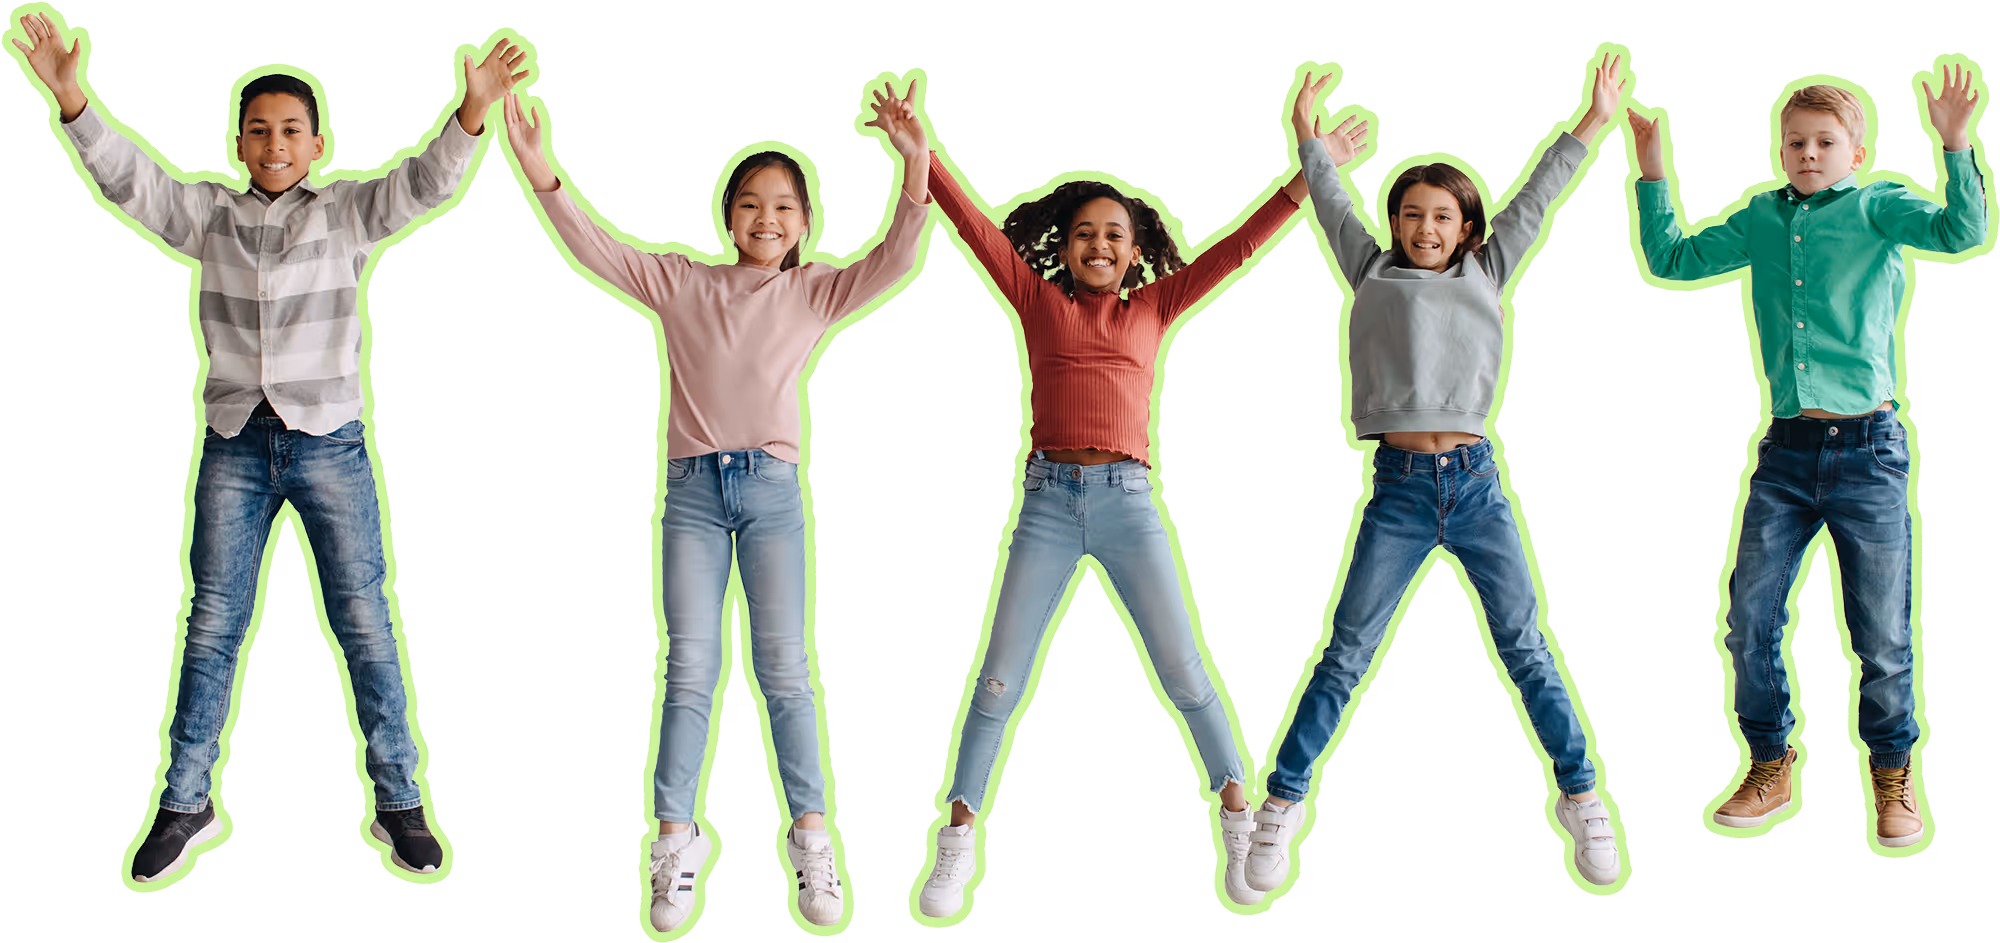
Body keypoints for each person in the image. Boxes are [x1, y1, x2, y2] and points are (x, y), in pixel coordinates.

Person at [10, 8, 527, 883]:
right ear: (239, 143)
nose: (275, 142)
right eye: (259, 130)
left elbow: (425, 184)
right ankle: (185, 800)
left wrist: (470, 113)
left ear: (318, 143)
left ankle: (399, 797)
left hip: (329, 444)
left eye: (291, 129)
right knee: (211, 624)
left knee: (365, 620)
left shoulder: (347, 213)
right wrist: (73, 99)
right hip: (235, 444)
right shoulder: (208, 215)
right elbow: (130, 180)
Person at [500, 78, 930, 930]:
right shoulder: (682, 283)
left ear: (804, 223)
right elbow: (594, 246)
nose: (764, 219)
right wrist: (539, 165)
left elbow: (899, 256)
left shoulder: (814, 292)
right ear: (727, 217)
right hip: (694, 494)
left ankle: (813, 840)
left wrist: (913, 163)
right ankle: (674, 841)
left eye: (782, 207)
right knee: (689, 668)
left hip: (771, 494)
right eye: (748, 204)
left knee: (785, 671)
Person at [908, 82, 1307, 918]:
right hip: (1049, 501)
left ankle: (1237, 813)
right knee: (997, 681)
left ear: (1135, 253)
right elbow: (976, 227)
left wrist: (1307, 175)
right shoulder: (1038, 297)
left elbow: (1235, 249)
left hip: (1128, 502)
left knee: (1186, 672)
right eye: (1085, 233)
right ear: (1065, 247)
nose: (1098, 244)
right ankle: (957, 839)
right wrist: (922, 150)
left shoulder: (1156, 304)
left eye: (1114, 235)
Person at [1251, 54, 1630, 895]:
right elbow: (1331, 201)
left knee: (1526, 645)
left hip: (1477, 485)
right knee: (1345, 650)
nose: (1425, 228)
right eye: (1412, 215)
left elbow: (1540, 194)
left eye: (1443, 216)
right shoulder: (1369, 267)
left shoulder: (1486, 270)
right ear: (1394, 223)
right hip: (1400, 492)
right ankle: (1281, 804)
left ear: (1467, 228)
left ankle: (1581, 795)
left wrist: (1594, 122)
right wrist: (1306, 132)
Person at [1628, 63, 1989, 849]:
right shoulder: (1763, 218)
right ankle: (1769, 759)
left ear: (1856, 151)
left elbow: (1963, 233)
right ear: (1778, 149)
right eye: (1794, 141)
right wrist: (1653, 172)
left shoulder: (1878, 206)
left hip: (1869, 451)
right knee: (1748, 617)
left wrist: (1956, 145)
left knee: (1881, 634)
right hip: (1787, 455)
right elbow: (1674, 259)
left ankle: (1893, 776)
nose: (1808, 153)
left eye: (1826, 141)